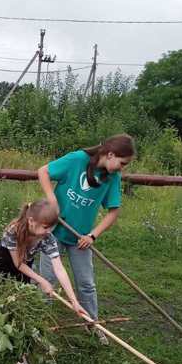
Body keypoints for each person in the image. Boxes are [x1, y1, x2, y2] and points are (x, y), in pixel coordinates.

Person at [37, 133, 136, 344]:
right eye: (122, 163)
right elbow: (43, 171)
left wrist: (93, 235)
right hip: (54, 232)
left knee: (87, 284)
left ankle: (92, 325)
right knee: (47, 281)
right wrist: (52, 199)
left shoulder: (112, 177)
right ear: (110, 154)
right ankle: (37, 325)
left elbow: (113, 211)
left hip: (80, 239)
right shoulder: (77, 160)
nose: (122, 168)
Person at [0, 199, 86, 317]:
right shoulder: (14, 230)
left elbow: (59, 269)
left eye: (51, 227)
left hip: (25, 262)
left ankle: (13, 318)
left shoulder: (47, 238)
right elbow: (18, 263)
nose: (48, 231)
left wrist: (74, 301)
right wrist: (42, 280)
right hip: (4, 259)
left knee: (20, 292)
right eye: (45, 227)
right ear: (31, 221)